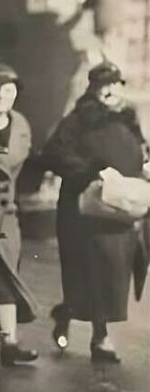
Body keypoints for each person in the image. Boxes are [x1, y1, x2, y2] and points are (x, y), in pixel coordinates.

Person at [41, 61, 148, 363]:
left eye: (115, 84)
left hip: (121, 208)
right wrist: (90, 172)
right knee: (92, 272)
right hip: (85, 210)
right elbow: (53, 154)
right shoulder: (77, 119)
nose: (111, 90)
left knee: (114, 273)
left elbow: (140, 151)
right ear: (93, 87)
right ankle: (96, 335)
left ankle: (84, 323)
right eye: (104, 85)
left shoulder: (127, 117)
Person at [0, 64, 38, 366]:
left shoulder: (21, 124)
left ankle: (10, 340)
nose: (2, 96)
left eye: (10, 90)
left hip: (7, 211)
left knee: (8, 276)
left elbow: (15, 163)